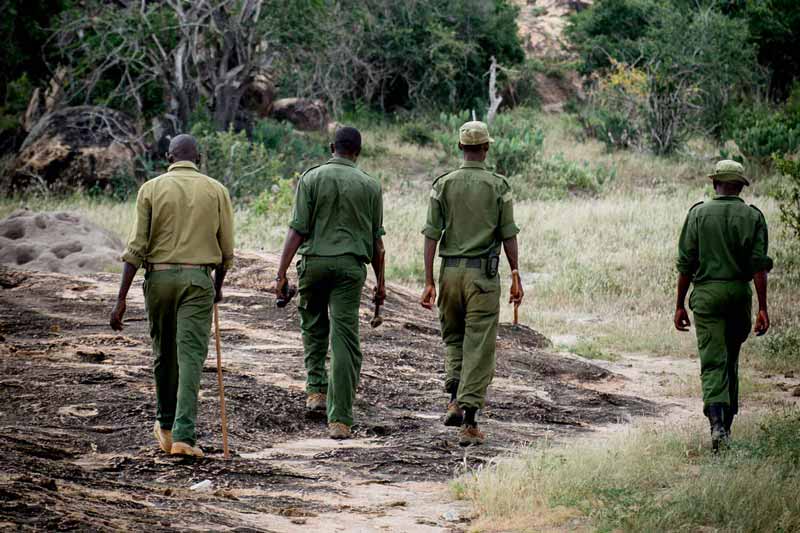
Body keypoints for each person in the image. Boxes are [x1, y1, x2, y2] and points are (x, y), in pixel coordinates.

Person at [109, 134, 235, 458]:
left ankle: (164, 424)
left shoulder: (150, 189)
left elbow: (136, 247)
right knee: (191, 356)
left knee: (164, 353)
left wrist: (121, 298)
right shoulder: (216, 190)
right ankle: (183, 435)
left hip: (159, 277)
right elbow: (226, 251)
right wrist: (217, 286)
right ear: (200, 158)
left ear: (168, 157)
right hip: (197, 279)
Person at [275, 126, 385, 440]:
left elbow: (296, 231)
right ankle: (340, 419)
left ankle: (316, 390)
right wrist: (381, 283)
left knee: (313, 325)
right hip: (350, 269)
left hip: (314, 264)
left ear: (331, 147)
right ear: (358, 152)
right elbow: (377, 244)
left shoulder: (310, 178)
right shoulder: (370, 185)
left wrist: (281, 273)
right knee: (344, 340)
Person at [420, 120, 523, 446]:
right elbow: (508, 234)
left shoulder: (443, 184)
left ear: (460, 147)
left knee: (453, 338)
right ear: (487, 148)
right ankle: (470, 421)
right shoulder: (498, 185)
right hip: (482, 277)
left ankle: (453, 399)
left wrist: (428, 280)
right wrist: (516, 273)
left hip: (449, 273)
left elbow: (431, 235)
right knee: (478, 346)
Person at [674, 159, 773, 451]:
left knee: (713, 360)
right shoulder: (752, 216)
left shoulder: (698, 214)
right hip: (739, 295)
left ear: (715, 184)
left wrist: (679, 304)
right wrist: (763, 308)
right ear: (740, 187)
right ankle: (726, 425)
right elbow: (759, 267)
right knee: (730, 358)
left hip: (706, 296)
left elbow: (685, 264)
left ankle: (717, 425)